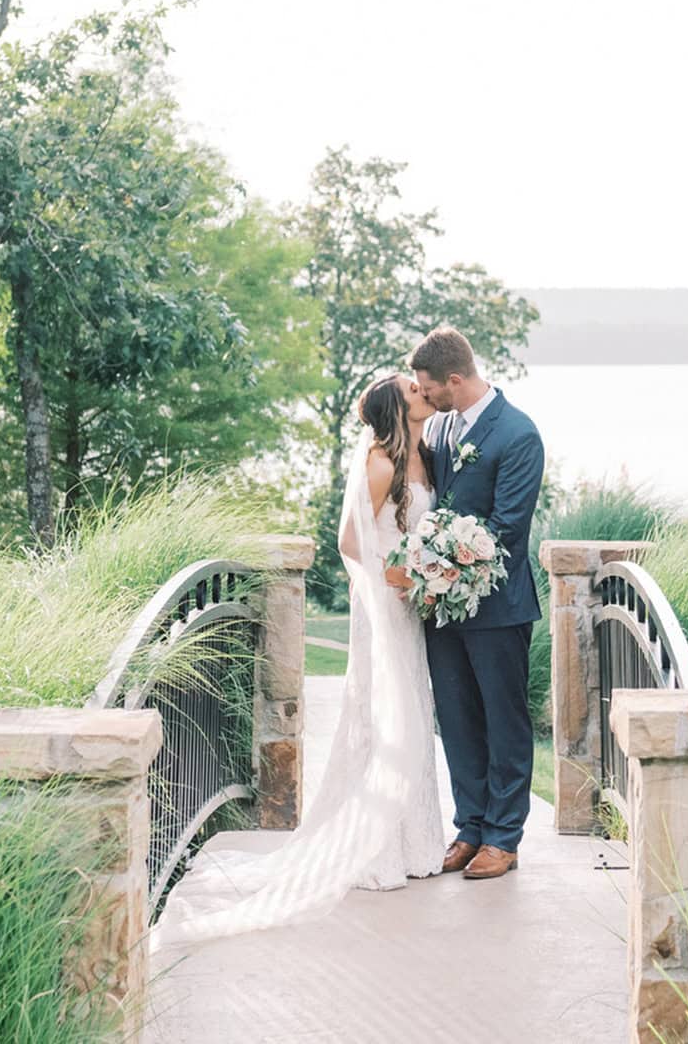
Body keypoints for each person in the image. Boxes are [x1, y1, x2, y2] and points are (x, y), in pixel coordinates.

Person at [150, 372, 446, 947]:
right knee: (383, 712)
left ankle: (415, 840)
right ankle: (375, 846)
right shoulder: (381, 463)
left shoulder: (424, 459)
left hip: (411, 604)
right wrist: (401, 576)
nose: (422, 393)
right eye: (413, 390)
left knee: (412, 710)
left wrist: (429, 573)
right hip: (385, 604)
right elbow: (350, 542)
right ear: (396, 408)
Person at [406, 325, 546, 881]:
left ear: (455, 380)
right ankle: (469, 827)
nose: (426, 396)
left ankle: (504, 838)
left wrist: (439, 560)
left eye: (430, 388)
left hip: (499, 607)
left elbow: (507, 528)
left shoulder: (518, 434)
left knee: (503, 721)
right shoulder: (439, 427)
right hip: (442, 609)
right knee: (458, 719)